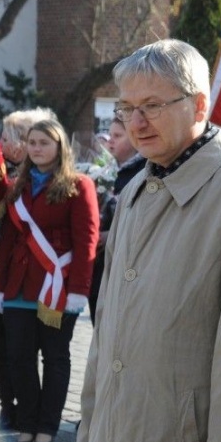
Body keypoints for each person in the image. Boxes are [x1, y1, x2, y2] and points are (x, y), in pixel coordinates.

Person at [77, 39, 221, 442]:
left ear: (198, 106)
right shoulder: (134, 190)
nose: (136, 122)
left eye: (152, 106)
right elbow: (105, 342)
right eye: (126, 108)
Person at [0, 118, 99, 442]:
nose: (37, 148)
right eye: (32, 143)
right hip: (18, 287)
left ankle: (47, 430)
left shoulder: (79, 185)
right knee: (18, 359)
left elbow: (86, 242)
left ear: (59, 146)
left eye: (44, 143)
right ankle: (26, 425)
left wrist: (79, 290)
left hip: (57, 288)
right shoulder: (16, 186)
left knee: (54, 359)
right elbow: (7, 240)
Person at [0, 106, 56, 431]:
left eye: (7, 137)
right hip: (4, 275)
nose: (1, 143)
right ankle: (7, 406)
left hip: (41, 274)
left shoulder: (50, 177)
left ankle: (35, 412)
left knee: (41, 350)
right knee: (5, 348)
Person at [87, 117, 146, 319]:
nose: (110, 140)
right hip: (99, 262)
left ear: (134, 138)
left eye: (118, 136)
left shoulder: (144, 171)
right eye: (110, 135)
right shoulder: (101, 170)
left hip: (127, 261)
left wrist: (110, 233)